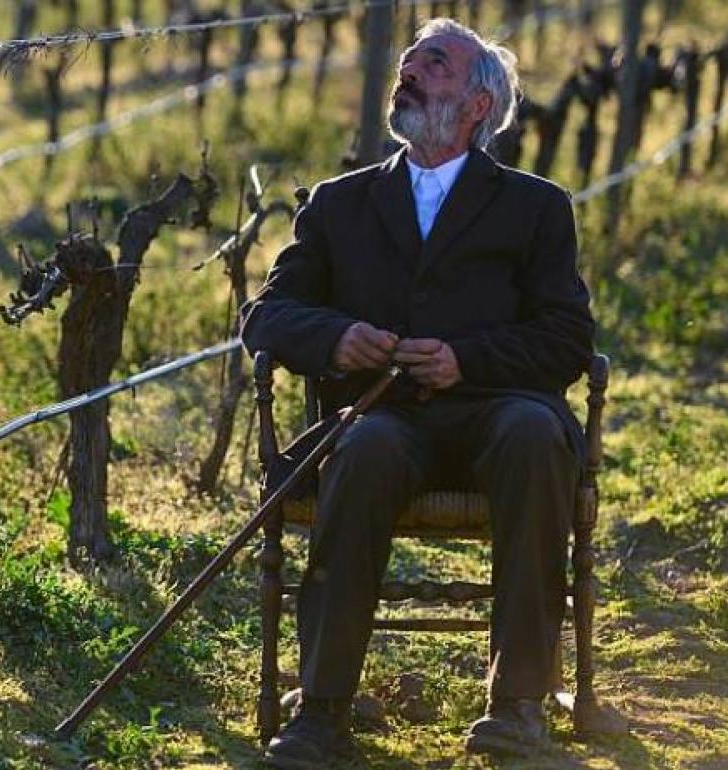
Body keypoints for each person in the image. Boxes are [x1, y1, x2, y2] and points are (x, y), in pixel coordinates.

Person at [240, 17, 595, 767]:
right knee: (360, 449)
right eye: (406, 63)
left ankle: (518, 706)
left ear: (476, 106)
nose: (408, 72)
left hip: (501, 410)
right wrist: (336, 339)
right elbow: (268, 315)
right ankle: (323, 708)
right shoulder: (340, 203)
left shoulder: (536, 207)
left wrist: (466, 359)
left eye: (432, 64)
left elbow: (568, 339)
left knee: (537, 438)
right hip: (385, 416)